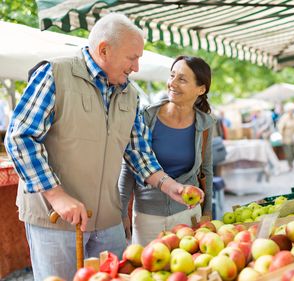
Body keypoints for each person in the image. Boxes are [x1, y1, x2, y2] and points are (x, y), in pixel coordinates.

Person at [5, 14, 202, 281]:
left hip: (108, 220)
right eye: (132, 57)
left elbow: (139, 153)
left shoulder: (130, 94)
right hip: (55, 220)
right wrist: (56, 195)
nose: (136, 67)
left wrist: (171, 187)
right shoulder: (54, 74)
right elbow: (20, 137)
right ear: (104, 49)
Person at [118, 56, 214, 245]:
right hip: (147, 217)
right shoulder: (146, 117)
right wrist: (122, 213)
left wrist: (208, 211)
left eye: (182, 79)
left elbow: (207, 169)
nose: (172, 83)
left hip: (189, 214)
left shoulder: (205, 124)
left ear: (201, 89)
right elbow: (129, 168)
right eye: (172, 76)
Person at [277, 102, 294, 171]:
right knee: (288, 153)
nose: (292, 111)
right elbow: (280, 128)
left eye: (293, 110)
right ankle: (290, 165)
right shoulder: (284, 118)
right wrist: (281, 137)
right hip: (286, 138)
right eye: (291, 110)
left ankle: (291, 162)